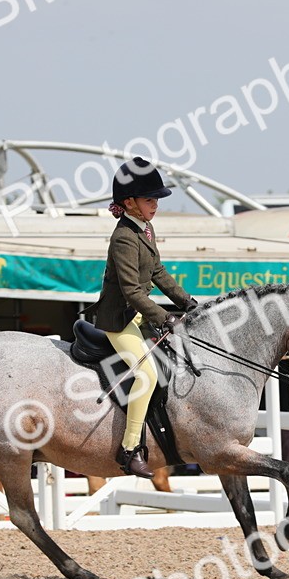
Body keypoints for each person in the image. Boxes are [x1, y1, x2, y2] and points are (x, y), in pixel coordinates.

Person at [84, 157, 197, 478]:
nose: (155, 205)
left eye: (156, 199)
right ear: (129, 202)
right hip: (119, 320)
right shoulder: (123, 236)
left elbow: (158, 271)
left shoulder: (145, 228)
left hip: (139, 317)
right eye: (150, 200)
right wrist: (165, 317)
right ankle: (130, 449)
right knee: (146, 374)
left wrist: (187, 302)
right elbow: (132, 291)